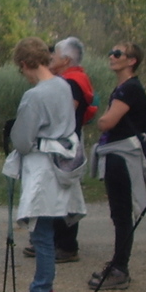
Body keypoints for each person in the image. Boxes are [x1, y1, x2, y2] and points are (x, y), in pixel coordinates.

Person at [6, 37, 86, 292]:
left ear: (25, 64)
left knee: (41, 233)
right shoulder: (64, 85)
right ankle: (43, 289)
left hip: (42, 168)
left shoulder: (35, 96)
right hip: (62, 162)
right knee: (47, 229)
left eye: (22, 69)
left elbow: (22, 140)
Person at [23, 37, 95, 263]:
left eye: (54, 55)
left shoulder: (72, 82)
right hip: (66, 143)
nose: (50, 57)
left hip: (63, 146)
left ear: (65, 60)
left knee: (63, 194)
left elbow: (63, 113)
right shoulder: (67, 81)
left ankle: (65, 245)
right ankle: (53, 242)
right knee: (60, 193)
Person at [88, 42, 146, 291]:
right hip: (116, 154)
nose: (111, 57)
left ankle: (120, 268)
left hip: (122, 156)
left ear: (132, 60)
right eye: (111, 52)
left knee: (122, 213)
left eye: (117, 54)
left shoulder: (130, 89)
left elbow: (107, 121)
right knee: (119, 213)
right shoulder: (123, 88)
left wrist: (103, 119)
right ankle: (118, 264)